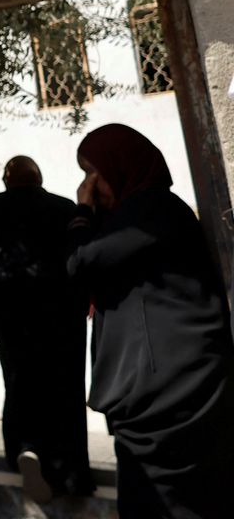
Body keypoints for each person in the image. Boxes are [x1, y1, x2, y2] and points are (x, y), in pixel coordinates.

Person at [69, 124, 234, 518]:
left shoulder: (150, 210)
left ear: (121, 165)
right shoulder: (138, 213)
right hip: (162, 389)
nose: (89, 185)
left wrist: (80, 214)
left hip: (170, 396)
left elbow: (79, 264)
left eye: (94, 172)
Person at [0, 156, 94, 501]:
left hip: (9, 313)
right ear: (39, 179)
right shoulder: (65, 208)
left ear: (7, 180)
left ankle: (25, 450)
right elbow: (77, 259)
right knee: (65, 387)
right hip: (61, 315)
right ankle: (69, 472)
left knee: (18, 380)